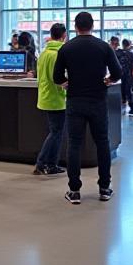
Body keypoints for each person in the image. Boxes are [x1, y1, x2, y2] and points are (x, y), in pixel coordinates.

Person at [53, 11, 122, 204]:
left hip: (75, 101)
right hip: (98, 101)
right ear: (92, 26)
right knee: (102, 143)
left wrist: (66, 83)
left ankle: (74, 190)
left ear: (75, 27)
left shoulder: (66, 48)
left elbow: (57, 76)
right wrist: (108, 80)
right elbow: (117, 72)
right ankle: (104, 188)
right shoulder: (103, 47)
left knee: (74, 144)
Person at [33, 23, 68, 177]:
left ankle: (52, 164)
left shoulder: (44, 53)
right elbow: (59, 78)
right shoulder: (58, 55)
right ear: (64, 35)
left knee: (56, 132)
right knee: (55, 133)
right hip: (56, 98)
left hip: (45, 96)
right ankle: (41, 163)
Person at [116, 38, 133, 116]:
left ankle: (125, 104)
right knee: (130, 91)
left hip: (122, 75)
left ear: (123, 44)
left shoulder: (118, 53)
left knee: (124, 90)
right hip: (131, 75)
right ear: (130, 44)